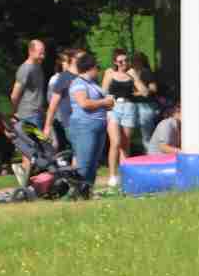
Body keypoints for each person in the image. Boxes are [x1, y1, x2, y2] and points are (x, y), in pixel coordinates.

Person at [101, 48, 152, 188]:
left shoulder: (131, 73)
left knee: (125, 144)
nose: (124, 63)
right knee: (115, 142)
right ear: (115, 62)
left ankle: (125, 175)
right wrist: (107, 103)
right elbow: (103, 92)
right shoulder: (110, 73)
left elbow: (145, 92)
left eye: (126, 60)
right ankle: (112, 175)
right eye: (120, 61)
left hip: (129, 108)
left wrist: (135, 78)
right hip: (114, 109)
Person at [66, 51, 112, 194]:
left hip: (98, 125)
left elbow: (98, 102)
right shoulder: (78, 83)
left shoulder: (92, 83)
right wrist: (104, 102)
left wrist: (108, 103)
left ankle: (87, 192)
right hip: (84, 126)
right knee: (84, 163)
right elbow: (84, 103)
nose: (98, 71)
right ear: (90, 68)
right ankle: (76, 193)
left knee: (93, 162)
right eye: (97, 67)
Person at [11, 39, 48, 175]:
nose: (43, 56)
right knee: (31, 149)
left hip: (37, 113)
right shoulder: (25, 69)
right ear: (31, 52)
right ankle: (26, 181)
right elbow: (14, 95)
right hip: (28, 115)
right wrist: (15, 113)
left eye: (44, 53)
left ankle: (28, 179)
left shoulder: (37, 66)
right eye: (40, 53)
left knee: (37, 148)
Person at [42, 47, 76, 156]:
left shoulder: (75, 77)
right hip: (59, 118)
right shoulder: (56, 79)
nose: (66, 63)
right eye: (64, 61)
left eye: (67, 61)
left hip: (72, 118)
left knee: (74, 148)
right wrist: (49, 123)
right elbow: (51, 100)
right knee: (61, 145)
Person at [131, 51, 161, 144]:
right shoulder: (131, 73)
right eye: (133, 60)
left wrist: (136, 93)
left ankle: (150, 151)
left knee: (147, 136)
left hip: (146, 105)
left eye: (137, 60)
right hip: (135, 106)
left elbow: (153, 88)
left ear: (142, 61)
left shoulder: (146, 72)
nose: (134, 63)